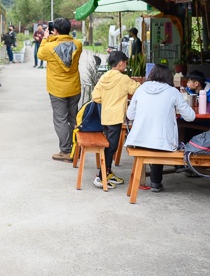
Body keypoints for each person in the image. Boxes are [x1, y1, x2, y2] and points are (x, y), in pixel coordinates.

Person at [125, 63, 195, 192]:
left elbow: (129, 115)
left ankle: (155, 181)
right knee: (159, 141)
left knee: (154, 140)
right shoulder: (172, 92)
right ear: (169, 77)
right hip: (162, 143)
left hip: (138, 140)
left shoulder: (140, 89)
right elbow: (190, 117)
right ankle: (156, 182)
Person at [90, 50, 140, 189]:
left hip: (105, 116)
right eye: (125, 62)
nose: (126, 64)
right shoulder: (123, 79)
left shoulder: (104, 77)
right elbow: (137, 89)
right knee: (111, 148)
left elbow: (96, 96)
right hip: (116, 117)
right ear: (120, 63)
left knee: (109, 146)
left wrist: (108, 101)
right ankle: (101, 177)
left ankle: (108, 172)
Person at [38, 17, 83, 162]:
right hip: (74, 87)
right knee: (73, 118)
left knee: (60, 119)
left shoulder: (50, 47)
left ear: (55, 31)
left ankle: (65, 151)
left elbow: (41, 54)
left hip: (57, 89)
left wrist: (46, 38)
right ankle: (76, 147)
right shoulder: (78, 44)